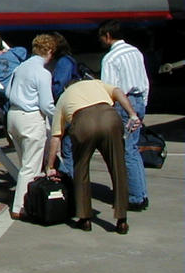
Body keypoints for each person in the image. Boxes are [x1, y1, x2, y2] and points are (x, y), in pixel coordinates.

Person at [46, 79, 141, 234]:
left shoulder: (63, 97)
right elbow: (118, 91)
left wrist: (50, 166)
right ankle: (122, 219)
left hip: (83, 122)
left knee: (81, 169)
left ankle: (84, 218)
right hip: (109, 117)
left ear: (66, 87)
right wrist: (132, 114)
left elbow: (56, 137)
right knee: (118, 167)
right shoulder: (96, 83)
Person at [98, 20, 150, 211]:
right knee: (133, 149)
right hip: (138, 99)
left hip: (124, 103)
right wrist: (142, 104)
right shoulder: (135, 52)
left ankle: (135, 196)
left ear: (108, 36)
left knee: (126, 150)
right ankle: (140, 192)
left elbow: (109, 87)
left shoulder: (111, 58)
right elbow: (144, 80)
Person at [6, 34, 56, 219]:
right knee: (31, 168)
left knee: (24, 163)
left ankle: (25, 203)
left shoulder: (21, 67)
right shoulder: (43, 73)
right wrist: (60, 115)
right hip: (30, 118)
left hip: (13, 115)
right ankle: (20, 207)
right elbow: (46, 104)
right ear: (49, 51)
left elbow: (7, 91)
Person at [49, 32, 80, 178]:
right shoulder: (69, 60)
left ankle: (70, 181)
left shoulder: (63, 62)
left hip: (66, 107)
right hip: (72, 107)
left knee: (66, 147)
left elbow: (59, 85)